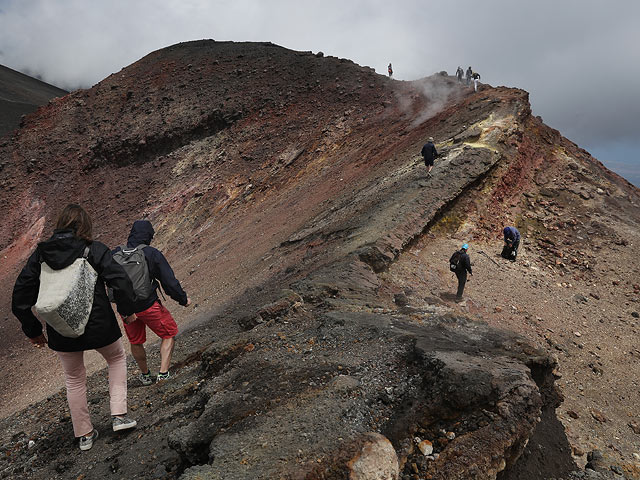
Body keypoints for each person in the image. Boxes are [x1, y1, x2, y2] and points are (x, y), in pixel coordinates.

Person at [11, 204, 138, 451]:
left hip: (61, 329)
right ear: (85, 225)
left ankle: (85, 434)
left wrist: (34, 331)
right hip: (100, 325)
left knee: (74, 379)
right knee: (116, 359)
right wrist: (126, 310)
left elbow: (20, 297)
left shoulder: (40, 255)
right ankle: (119, 416)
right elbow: (120, 281)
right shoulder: (94, 249)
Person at [114, 220, 190, 385]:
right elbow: (169, 282)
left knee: (136, 341)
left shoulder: (116, 253)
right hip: (148, 305)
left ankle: (146, 375)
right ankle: (163, 374)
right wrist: (183, 299)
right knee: (168, 334)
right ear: (148, 235)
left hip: (126, 310)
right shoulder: (151, 253)